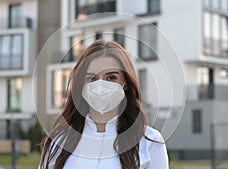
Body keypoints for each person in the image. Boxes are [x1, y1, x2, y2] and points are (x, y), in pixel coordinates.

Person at [39, 39, 169, 169]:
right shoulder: (59, 141)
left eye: (111, 78)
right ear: (81, 84)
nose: (100, 86)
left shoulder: (149, 142)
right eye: (92, 79)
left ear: (126, 83)